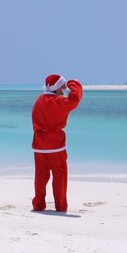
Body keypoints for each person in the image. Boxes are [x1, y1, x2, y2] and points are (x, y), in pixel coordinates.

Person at [31, 74, 83, 212]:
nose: (65, 88)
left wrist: (65, 85)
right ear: (57, 87)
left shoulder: (39, 100)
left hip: (39, 147)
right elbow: (75, 100)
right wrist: (74, 83)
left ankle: (38, 204)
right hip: (55, 147)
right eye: (63, 85)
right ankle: (60, 206)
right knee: (60, 177)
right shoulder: (59, 102)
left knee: (40, 178)